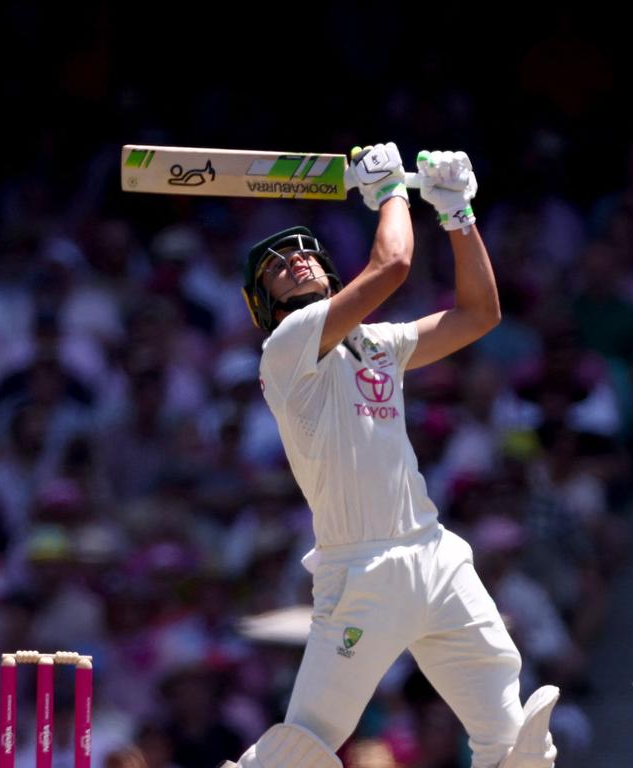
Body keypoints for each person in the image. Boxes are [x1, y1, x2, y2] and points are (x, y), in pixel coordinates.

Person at [222, 144, 558, 768]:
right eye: (276, 268)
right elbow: (395, 262)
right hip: (362, 572)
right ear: (266, 303)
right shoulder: (286, 348)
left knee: (514, 745)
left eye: (302, 254)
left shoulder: (377, 343)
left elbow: (480, 314)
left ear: (326, 269)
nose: (294, 262)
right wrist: (390, 195)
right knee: (305, 746)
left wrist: (458, 213)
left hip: (435, 555)